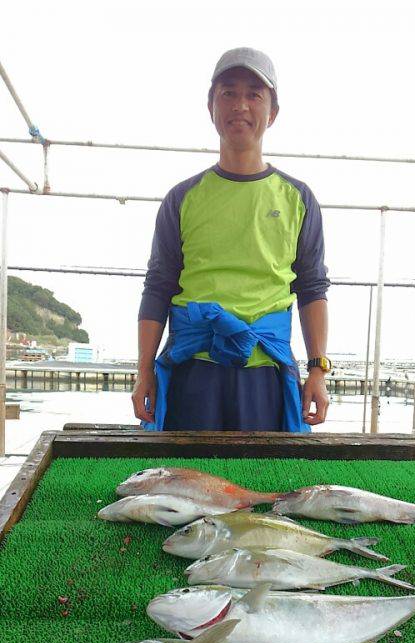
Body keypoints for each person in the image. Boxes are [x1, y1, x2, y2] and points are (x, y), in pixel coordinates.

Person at [132, 47, 331, 432]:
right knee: (186, 485)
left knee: (266, 486)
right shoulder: (182, 198)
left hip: (266, 373)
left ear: (272, 112)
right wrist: (143, 371)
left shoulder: (298, 198)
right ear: (211, 107)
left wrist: (318, 370)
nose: (240, 104)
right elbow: (157, 287)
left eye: (254, 94)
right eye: (228, 92)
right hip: (193, 369)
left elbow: (312, 289)